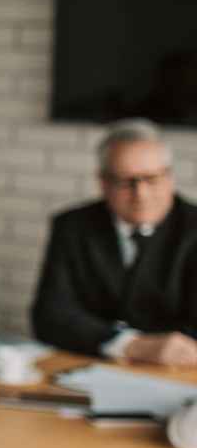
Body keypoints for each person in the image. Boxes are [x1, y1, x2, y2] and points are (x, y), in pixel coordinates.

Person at [32, 119, 197, 367]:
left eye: (151, 179)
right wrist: (130, 345)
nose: (140, 194)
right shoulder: (72, 226)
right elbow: (50, 316)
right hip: (87, 367)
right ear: (103, 182)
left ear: (170, 178)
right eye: (124, 181)